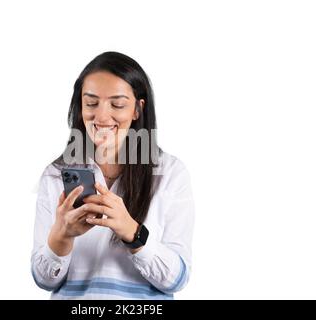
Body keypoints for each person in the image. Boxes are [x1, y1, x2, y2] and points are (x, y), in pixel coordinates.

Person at [31, 51, 195, 299]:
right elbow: (43, 279)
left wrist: (132, 232)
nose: (102, 116)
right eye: (91, 103)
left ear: (137, 110)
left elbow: (176, 280)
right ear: (79, 107)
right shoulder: (55, 175)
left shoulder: (170, 174)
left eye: (117, 104)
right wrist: (62, 235)